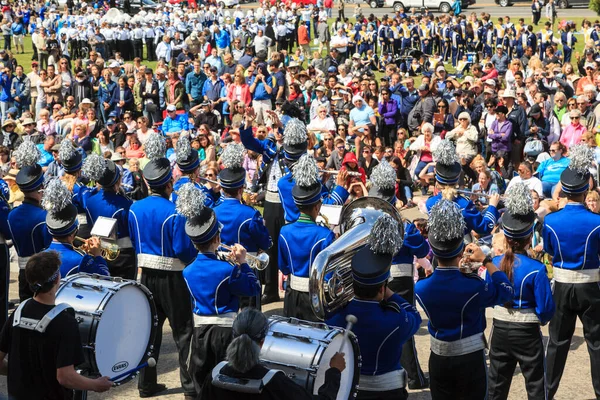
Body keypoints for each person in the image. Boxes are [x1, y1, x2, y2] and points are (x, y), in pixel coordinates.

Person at [415, 199, 513, 399]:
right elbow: (506, 291)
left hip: (439, 359)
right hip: (470, 360)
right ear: (460, 248)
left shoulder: (421, 287)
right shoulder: (473, 285)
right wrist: (486, 261)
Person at [128, 133, 197, 399]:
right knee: (184, 333)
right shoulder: (174, 212)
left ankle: (146, 384)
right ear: (169, 183)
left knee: (150, 332)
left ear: (147, 182)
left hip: (145, 276)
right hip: (173, 279)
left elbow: (136, 242)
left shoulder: (134, 208)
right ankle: (189, 388)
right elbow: (182, 249)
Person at [175, 183, 261, 394]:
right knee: (226, 381)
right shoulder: (227, 270)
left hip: (200, 332)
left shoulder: (187, 271)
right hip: (225, 332)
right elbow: (253, 288)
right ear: (216, 239)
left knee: (202, 379)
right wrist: (243, 263)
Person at [328, 214, 421, 399]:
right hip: (388, 393)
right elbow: (415, 317)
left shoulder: (336, 316)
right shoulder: (394, 320)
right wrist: (390, 293)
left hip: (349, 390)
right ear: (382, 287)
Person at [0, 251, 113, 399]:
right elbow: (65, 377)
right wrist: (96, 385)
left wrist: (21, 372)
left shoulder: (18, 313)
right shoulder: (65, 322)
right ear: (57, 279)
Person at [488, 182, 555, 399]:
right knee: (536, 386)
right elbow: (545, 309)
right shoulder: (536, 269)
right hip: (527, 332)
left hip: (499, 329)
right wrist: (540, 319)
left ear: (506, 238)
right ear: (528, 239)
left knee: (496, 386)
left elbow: (489, 295)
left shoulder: (495, 263)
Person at [543, 144, 600, 399]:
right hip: (591, 287)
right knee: (597, 345)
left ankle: (546, 393)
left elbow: (549, 250)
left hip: (563, 286)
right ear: (586, 189)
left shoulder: (551, 221)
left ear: (564, 190)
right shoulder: (597, 222)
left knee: (556, 344)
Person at [367, 160, 430, 389]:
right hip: (400, 280)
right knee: (404, 326)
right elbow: (423, 251)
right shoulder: (404, 223)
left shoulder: (367, 219)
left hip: (373, 278)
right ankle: (413, 377)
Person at [202, 308, 345, 399]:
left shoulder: (215, 375)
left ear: (233, 338)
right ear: (263, 342)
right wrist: (334, 372)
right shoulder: (274, 382)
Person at [279, 154, 335, 321]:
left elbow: (284, 267)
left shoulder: (284, 231)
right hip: (315, 298)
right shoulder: (325, 235)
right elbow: (329, 273)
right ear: (318, 206)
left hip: (292, 296)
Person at [214, 143, 272, 298]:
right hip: (247, 268)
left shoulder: (213, 211)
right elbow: (266, 242)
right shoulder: (250, 214)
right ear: (241, 189)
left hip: (221, 269)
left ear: (222, 189)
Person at [7, 139, 52, 301]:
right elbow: (48, 247)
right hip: (39, 274)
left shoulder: (12, 215)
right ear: (40, 188)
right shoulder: (42, 217)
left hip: (21, 272)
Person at [426, 140, 500, 236]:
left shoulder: (430, 202)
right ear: (457, 181)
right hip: (459, 247)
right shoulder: (464, 204)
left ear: (437, 180)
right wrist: (492, 206)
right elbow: (484, 227)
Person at [82, 154, 136, 280]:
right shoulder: (124, 204)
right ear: (117, 180)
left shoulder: (90, 201)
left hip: (98, 250)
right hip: (123, 256)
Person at [41, 178, 109, 278]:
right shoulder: (81, 260)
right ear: (75, 231)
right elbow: (105, 276)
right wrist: (97, 255)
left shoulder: (40, 256)